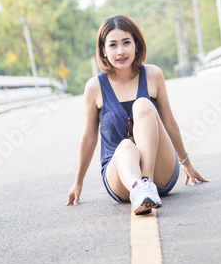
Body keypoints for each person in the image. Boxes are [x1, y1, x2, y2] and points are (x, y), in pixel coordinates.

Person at [66, 15, 208, 215]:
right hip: (121, 174)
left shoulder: (152, 75)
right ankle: (139, 188)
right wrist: (78, 183)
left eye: (126, 43)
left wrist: (186, 163)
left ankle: (147, 185)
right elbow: (89, 138)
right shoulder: (94, 87)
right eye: (113, 45)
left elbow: (168, 122)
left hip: (160, 169)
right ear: (104, 51)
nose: (121, 51)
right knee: (125, 146)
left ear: (137, 46)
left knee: (143, 105)